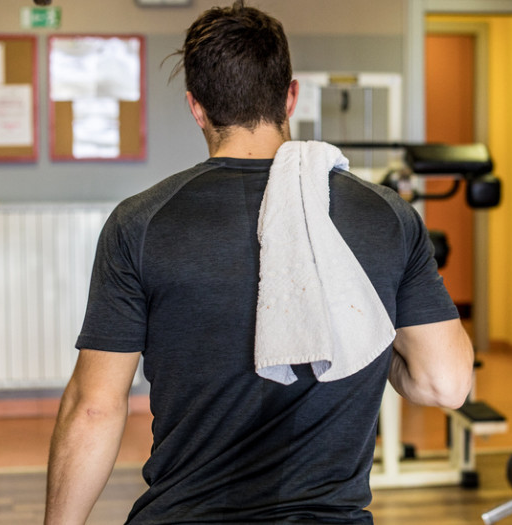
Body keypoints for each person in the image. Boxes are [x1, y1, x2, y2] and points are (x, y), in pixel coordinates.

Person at [42, 3, 474, 524]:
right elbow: (445, 384)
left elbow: (94, 408)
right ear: (290, 95)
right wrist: (368, 350)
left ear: (196, 108)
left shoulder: (140, 222)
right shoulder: (387, 216)